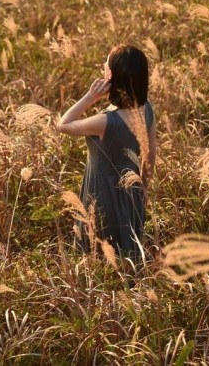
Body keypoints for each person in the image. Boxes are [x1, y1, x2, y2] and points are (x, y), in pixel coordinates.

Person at [56, 44, 156, 265]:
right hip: (132, 191)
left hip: (102, 195)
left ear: (111, 76)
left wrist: (90, 97)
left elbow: (63, 124)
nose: (102, 65)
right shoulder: (147, 108)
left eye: (105, 63)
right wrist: (144, 187)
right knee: (127, 250)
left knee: (99, 254)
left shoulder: (105, 122)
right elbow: (150, 154)